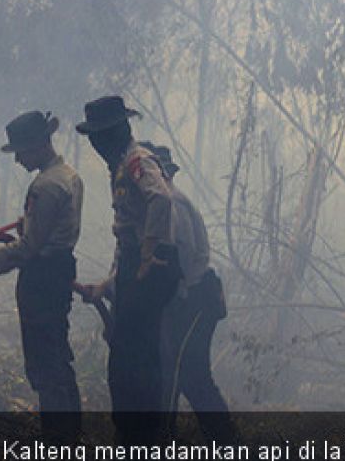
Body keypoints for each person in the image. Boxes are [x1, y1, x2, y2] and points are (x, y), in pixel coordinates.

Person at [0, 110, 83, 441]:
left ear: (38, 145)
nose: (19, 159)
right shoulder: (68, 175)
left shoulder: (46, 186)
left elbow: (29, 249)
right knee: (58, 360)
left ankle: (58, 442)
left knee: (44, 368)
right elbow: (41, 235)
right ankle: (71, 436)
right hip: (58, 273)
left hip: (41, 280)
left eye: (21, 151)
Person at [73, 96, 179, 444]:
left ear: (115, 133)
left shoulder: (136, 160)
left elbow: (161, 199)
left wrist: (149, 251)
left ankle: (143, 437)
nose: (95, 143)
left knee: (136, 357)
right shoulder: (122, 166)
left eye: (99, 135)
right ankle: (133, 434)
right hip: (135, 266)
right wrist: (110, 283)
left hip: (149, 265)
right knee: (126, 353)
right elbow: (128, 236)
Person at [139, 142, 234, 443]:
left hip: (193, 298)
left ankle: (227, 443)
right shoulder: (162, 206)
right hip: (184, 298)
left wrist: (172, 299)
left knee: (189, 375)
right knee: (175, 373)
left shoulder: (174, 205)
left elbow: (187, 259)